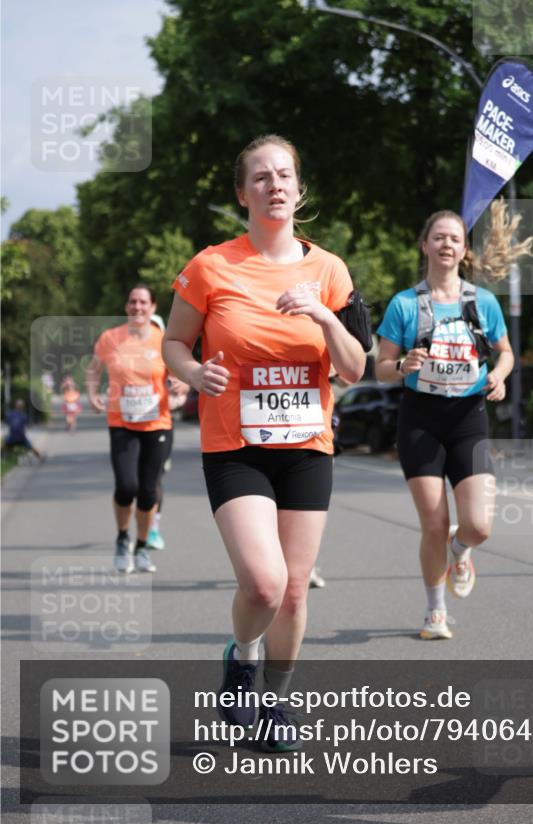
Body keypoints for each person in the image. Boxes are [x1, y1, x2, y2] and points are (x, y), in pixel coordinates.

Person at [163, 134, 365, 751]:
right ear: (242, 194)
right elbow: (172, 344)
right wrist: (195, 373)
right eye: (260, 177)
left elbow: (355, 369)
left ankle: (276, 700)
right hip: (236, 446)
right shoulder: (211, 266)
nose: (274, 184)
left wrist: (325, 317)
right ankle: (243, 652)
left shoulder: (329, 270)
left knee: (296, 589)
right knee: (263, 584)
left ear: (299, 189)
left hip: (307, 445)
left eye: (284, 175)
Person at [376, 201, 528, 640]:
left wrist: (498, 377)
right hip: (421, 420)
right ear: (425, 245)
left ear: (464, 250)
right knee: (434, 524)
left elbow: (505, 352)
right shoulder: (405, 305)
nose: (446, 244)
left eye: (455, 239)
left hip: (468, 417)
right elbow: (381, 366)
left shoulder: (482, 303)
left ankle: (461, 551)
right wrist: (404, 363)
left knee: (478, 525)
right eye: (438, 236)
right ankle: (435, 610)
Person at [86, 286, 188, 574]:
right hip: (122, 422)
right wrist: (93, 394)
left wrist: (182, 388)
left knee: (147, 490)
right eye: (132, 301)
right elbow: (94, 369)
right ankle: (122, 539)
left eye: (143, 302)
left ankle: (142, 547)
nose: (137, 306)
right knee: (126, 486)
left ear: (153, 307)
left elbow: (183, 373)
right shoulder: (110, 338)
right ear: (126, 306)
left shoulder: (165, 341)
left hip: (157, 423)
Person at [146, 314, 188, 551]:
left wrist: (173, 398)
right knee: (133, 483)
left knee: (154, 479)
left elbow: (183, 388)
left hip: (161, 425)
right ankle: (141, 525)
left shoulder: (168, 358)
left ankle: (153, 529)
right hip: (131, 427)